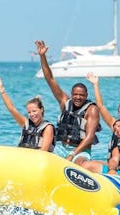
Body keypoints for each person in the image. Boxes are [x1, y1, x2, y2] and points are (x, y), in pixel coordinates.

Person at [35, 40, 101, 168]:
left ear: (86, 96)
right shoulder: (65, 102)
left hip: (81, 151)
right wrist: (42, 56)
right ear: (71, 94)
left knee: (78, 165)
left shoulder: (91, 110)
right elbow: (50, 79)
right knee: (43, 160)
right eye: (75, 94)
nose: (78, 97)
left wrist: (72, 154)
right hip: (61, 148)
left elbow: (89, 137)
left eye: (81, 95)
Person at [0, 74, 55, 151]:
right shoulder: (26, 124)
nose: (32, 114)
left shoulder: (48, 128)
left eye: (34, 111)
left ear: (41, 109)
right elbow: (12, 109)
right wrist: (1, 90)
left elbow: (44, 150)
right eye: (29, 112)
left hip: (39, 160)